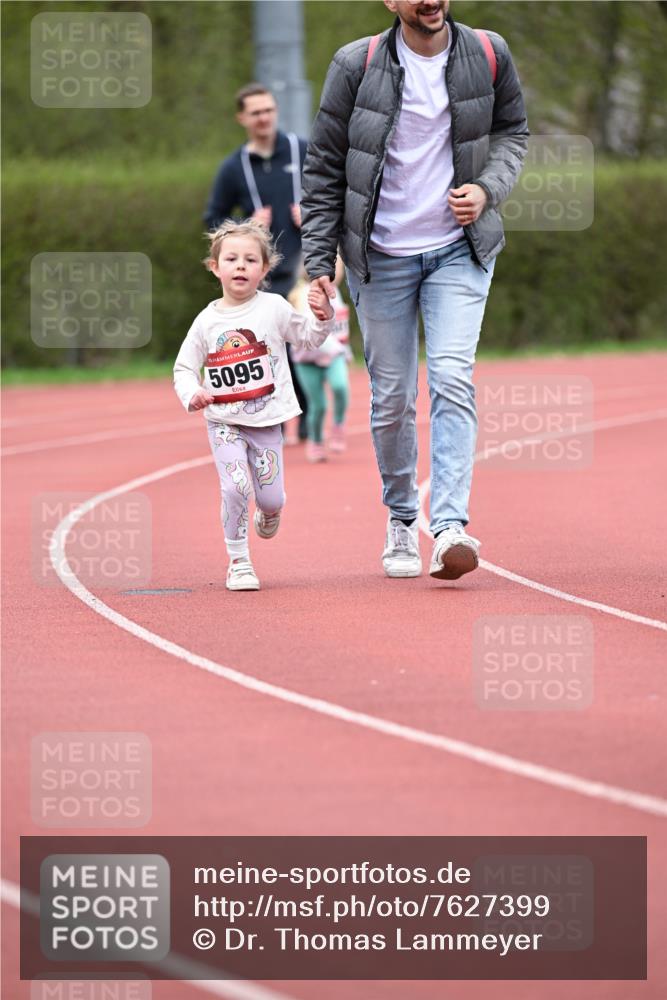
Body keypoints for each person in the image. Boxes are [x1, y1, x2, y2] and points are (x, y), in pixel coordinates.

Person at [300, 0, 528, 581]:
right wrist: (319, 260)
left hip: (459, 249)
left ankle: (448, 526)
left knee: (451, 376)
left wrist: (487, 189)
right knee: (393, 400)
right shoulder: (356, 64)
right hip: (379, 256)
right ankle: (402, 515)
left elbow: (512, 133)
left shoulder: (487, 52)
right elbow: (324, 167)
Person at [173, 220, 334, 592]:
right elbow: (183, 368)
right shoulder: (206, 321)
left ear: (264, 269)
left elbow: (308, 338)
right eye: (232, 259)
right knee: (235, 487)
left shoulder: (274, 308)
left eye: (250, 260)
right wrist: (192, 393)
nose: (241, 266)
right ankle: (239, 561)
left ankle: (270, 510)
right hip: (223, 421)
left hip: (266, 421)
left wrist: (323, 316)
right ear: (215, 267)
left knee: (271, 497)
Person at [204, 83, 310, 435]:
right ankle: (289, 412)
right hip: (261, 274)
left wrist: (311, 214)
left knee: (307, 342)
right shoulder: (233, 167)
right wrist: (246, 224)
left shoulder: (301, 150)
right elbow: (213, 219)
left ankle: (309, 411)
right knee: (271, 342)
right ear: (242, 118)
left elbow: (334, 192)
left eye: (268, 110)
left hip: (304, 267)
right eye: (256, 113)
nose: (264, 118)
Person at [289, 256, 352, 462]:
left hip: (334, 355)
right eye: (332, 266)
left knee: (341, 387)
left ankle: (338, 425)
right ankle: (315, 440)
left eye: (338, 267)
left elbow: (341, 328)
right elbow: (304, 331)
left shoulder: (337, 294)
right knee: (318, 406)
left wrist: (345, 351)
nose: (335, 271)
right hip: (306, 358)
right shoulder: (302, 294)